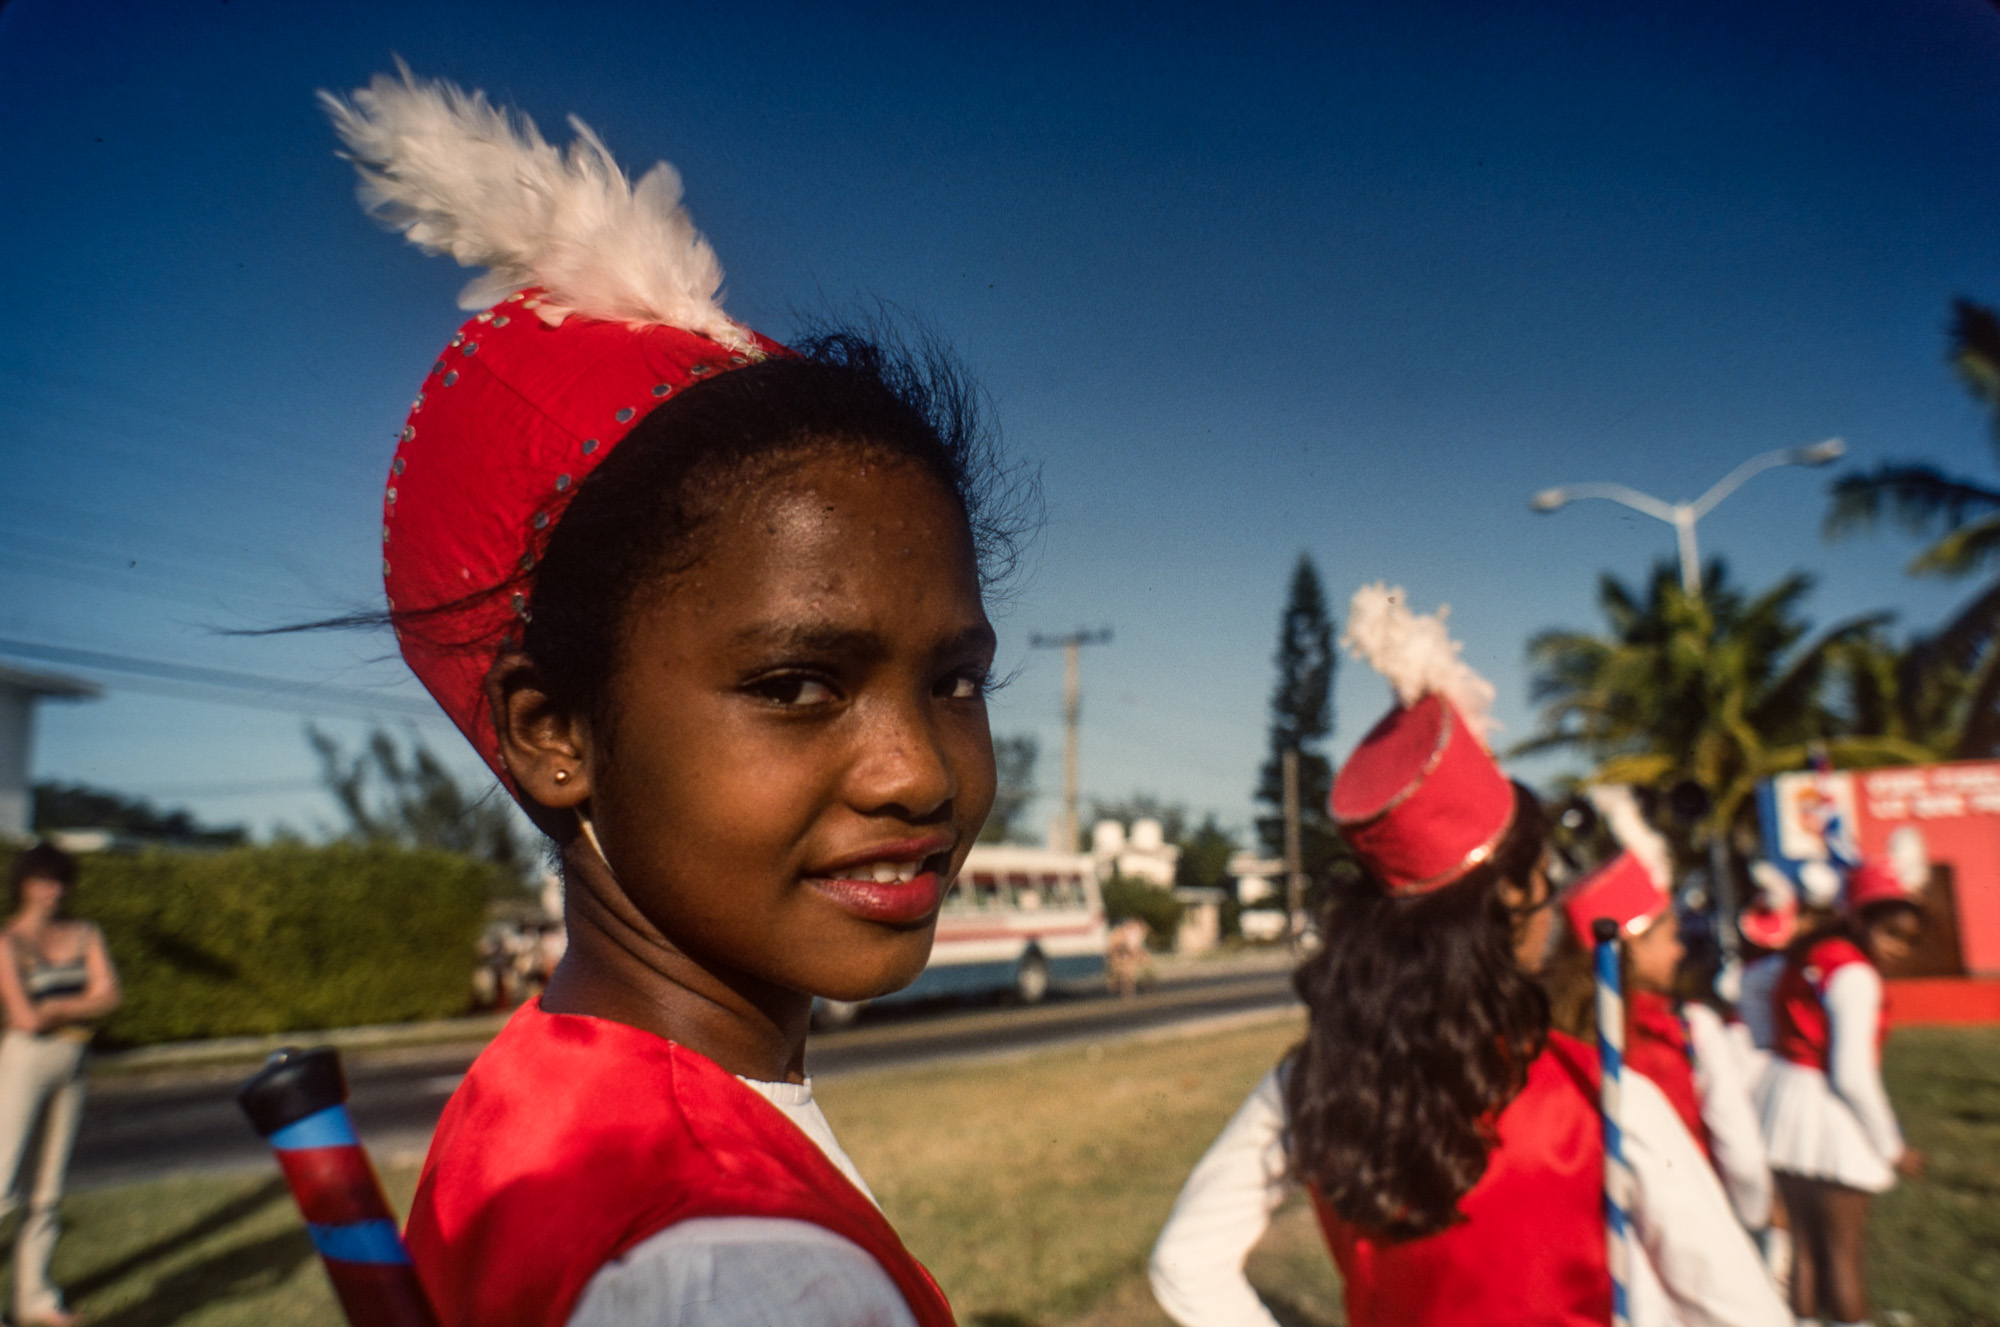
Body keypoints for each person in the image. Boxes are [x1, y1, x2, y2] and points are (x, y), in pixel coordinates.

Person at [320, 66, 1031, 1327]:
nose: (918, 770)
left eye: (953, 679)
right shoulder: (740, 1266)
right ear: (554, 734)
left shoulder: (538, 1089)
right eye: (797, 684)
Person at [1147, 585, 1786, 1327]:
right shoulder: (1602, 1097)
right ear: (1511, 902)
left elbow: (1184, 1264)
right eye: (1544, 881)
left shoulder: (1312, 1085)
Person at [1556, 818, 1774, 1235]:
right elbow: (1739, 1149)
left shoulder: (1561, 1031)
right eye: (1670, 936)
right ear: (1633, 946)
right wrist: (1755, 1213)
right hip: (1692, 1220)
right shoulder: (1691, 1027)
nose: (1679, 951)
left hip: (1599, 1228)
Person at [1756, 859, 1925, 1327]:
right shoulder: (1856, 975)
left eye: (1909, 939)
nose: (1900, 949)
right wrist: (1893, 1148)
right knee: (1843, 1261)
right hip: (1830, 1117)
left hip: (1785, 1106)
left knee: (1804, 1255)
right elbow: (1851, 1074)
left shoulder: (1808, 955)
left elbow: (1756, 1004)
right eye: (1891, 933)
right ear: (1859, 921)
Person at [0, 842, 122, 1327]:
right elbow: (26, 1019)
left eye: (60, 880)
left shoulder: (85, 932)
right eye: (43, 880)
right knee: (2, 1183)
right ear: (24, 884)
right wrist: (74, 1003)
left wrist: (57, 1008)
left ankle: (35, 1299)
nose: (53, 890)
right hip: (25, 1063)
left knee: (47, 1190)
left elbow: (111, 994)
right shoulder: (7, 940)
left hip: (74, 1060)